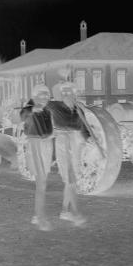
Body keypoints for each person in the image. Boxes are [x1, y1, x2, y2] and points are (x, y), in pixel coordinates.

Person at [48, 82, 89, 227]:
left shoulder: (79, 109)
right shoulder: (54, 106)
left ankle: (65, 211)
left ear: (75, 94)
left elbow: (84, 128)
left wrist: (89, 140)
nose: (66, 95)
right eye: (63, 93)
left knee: (71, 181)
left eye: (69, 92)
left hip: (75, 144)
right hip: (63, 143)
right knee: (70, 180)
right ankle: (76, 213)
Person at [19, 84, 55, 232]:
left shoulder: (48, 111)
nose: (45, 97)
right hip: (35, 146)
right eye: (41, 94)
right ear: (34, 96)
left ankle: (36, 214)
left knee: (43, 182)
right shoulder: (29, 108)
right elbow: (21, 115)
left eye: (47, 94)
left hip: (46, 146)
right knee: (41, 182)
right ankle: (40, 218)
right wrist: (33, 108)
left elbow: (51, 128)